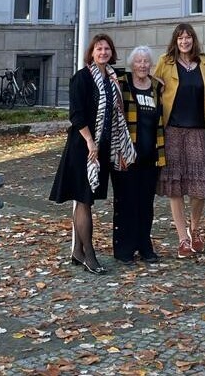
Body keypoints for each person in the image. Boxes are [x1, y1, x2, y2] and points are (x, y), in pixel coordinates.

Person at [49, 34, 135, 275]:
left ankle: (77, 251)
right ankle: (89, 254)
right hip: (83, 147)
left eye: (107, 48)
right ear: (91, 52)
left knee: (87, 198)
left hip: (104, 147)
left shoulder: (112, 78)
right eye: (99, 48)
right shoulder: (83, 78)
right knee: (84, 198)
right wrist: (90, 142)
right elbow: (76, 114)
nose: (103, 52)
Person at [154, 22, 205, 258]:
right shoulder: (165, 62)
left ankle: (194, 228)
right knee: (175, 187)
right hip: (173, 129)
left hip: (196, 129)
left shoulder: (204, 62)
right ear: (175, 41)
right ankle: (182, 239)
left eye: (188, 37)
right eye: (180, 38)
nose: (184, 41)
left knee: (199, 188)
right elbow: (152, 90)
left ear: (193, 40)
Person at [112, 46, 165, 264]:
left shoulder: (155, 87)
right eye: (138, 62)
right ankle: (124, 248)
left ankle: (144, 245)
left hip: (150, 155)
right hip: (126, 156)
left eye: (146, 62)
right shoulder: (122, 83)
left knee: (145, 204)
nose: (142, 65)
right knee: (126, 203)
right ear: (132, 64)